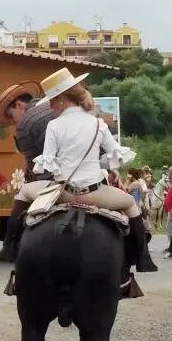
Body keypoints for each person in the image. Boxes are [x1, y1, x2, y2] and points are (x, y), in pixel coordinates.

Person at [16, 67, 157, 275]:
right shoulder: (98, 124)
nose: (50, 106)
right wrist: (99, 164)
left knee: (23, 193)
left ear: (62, 99)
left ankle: (10, 248)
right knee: (130, 204)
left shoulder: (54, 125)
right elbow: (115, 155)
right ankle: (144, 258)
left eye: (52, 100)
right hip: (95, 194)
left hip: (61, 194)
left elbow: (47, 163)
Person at [0, 81, 51, 261]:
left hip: (51, 178)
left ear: (19, 105)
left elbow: (32, 163)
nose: (13, 122)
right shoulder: (60, 110)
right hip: (93, 179)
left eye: (11, 116)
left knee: (21, 198)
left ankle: (9, 246)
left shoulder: (27, 123)